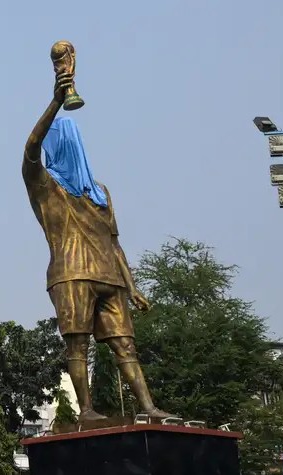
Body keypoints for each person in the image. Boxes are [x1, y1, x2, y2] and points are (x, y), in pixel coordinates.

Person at [22, 71, 173, 421]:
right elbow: (30, 150)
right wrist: (56, 101)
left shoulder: (100, 192)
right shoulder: (45, 185)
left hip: (110, 278)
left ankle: (149, 408)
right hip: (71, 274)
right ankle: (87, 411)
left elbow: (114, 243)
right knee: (78, 344)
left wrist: (132, 286)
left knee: (125, 345)